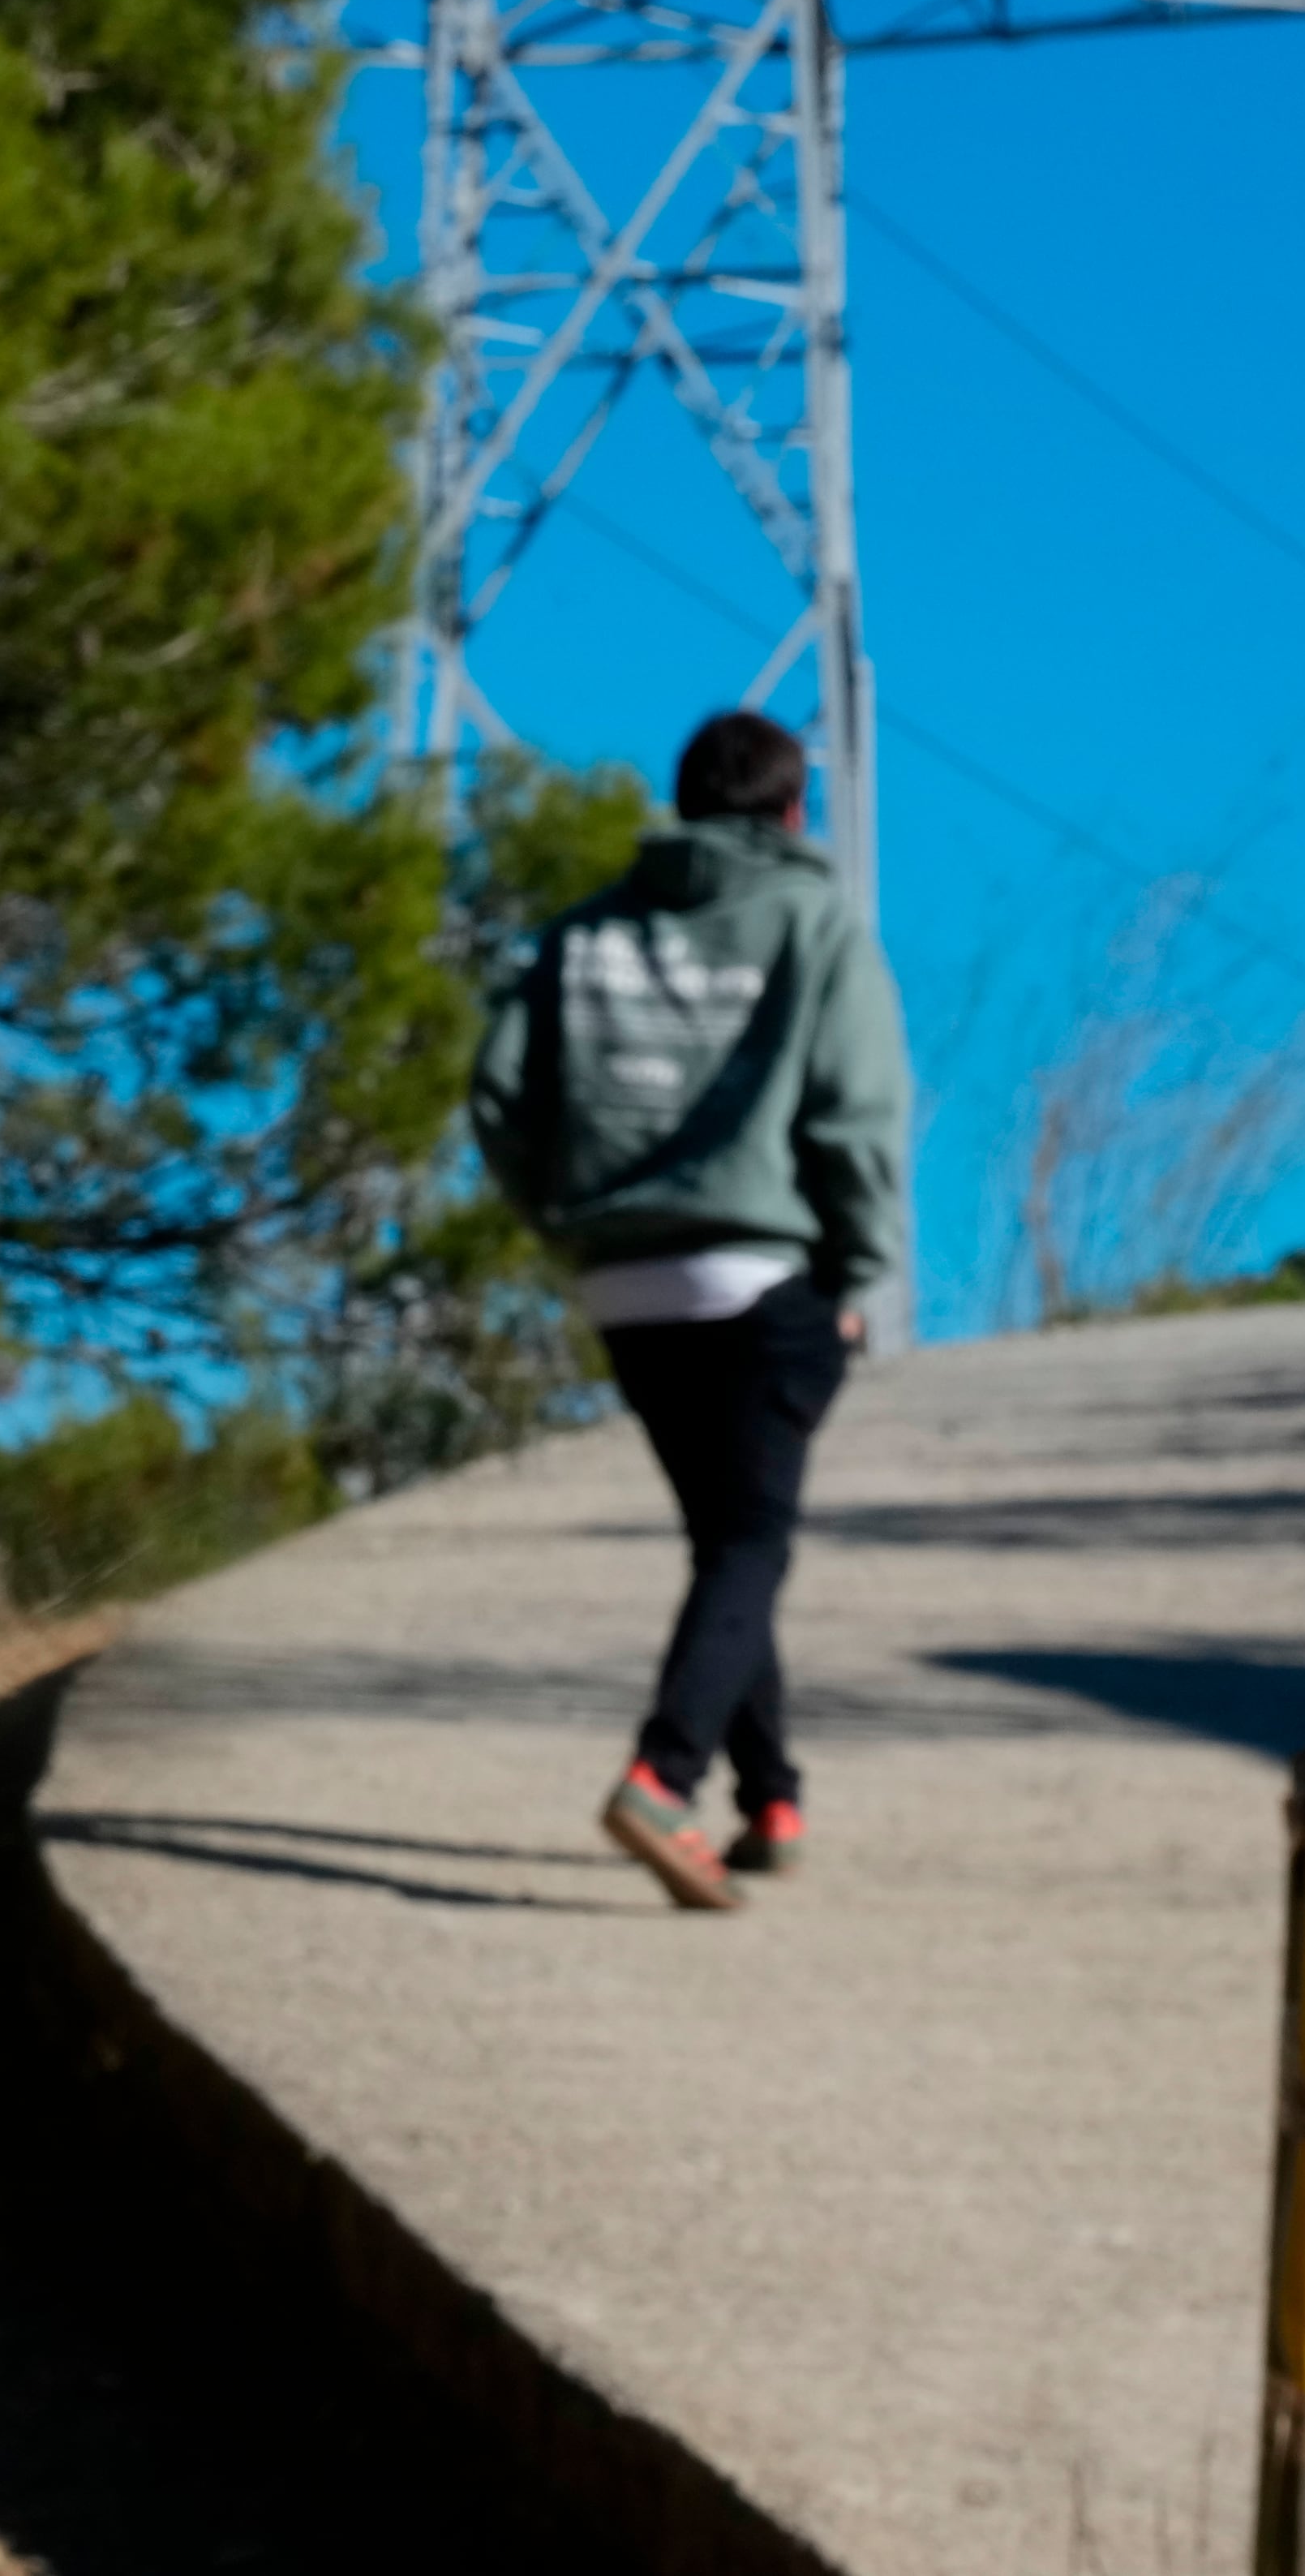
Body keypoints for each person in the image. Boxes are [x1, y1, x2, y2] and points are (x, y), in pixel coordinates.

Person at [470, 708, 909, 1912]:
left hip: (627, 1285)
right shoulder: (815, 921)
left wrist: (565, 1216)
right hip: (763, 1278)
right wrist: (863, 1274)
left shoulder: (584, 932)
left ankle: (772, 1797)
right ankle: (663, 1781)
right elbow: (857, 1113)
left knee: (729, 1536)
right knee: (751, 1541)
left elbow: (500, 1095)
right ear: (793, 809)